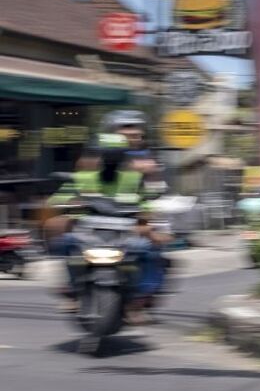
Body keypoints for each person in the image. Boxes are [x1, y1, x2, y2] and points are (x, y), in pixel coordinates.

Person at [48, 133, 172, 323]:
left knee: (147, 250)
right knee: (66, 242)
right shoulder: (83, 178)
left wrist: (147, 217)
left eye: (116, 156)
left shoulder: (134, 179)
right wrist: (69, 203)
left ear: (123, 157)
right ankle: (72, 290)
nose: (111, 160)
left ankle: (137, 301)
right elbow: (60, 198)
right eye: (107, 155)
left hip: (123, 235)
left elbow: (146, 204)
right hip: (90, 234)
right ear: (100, 156)